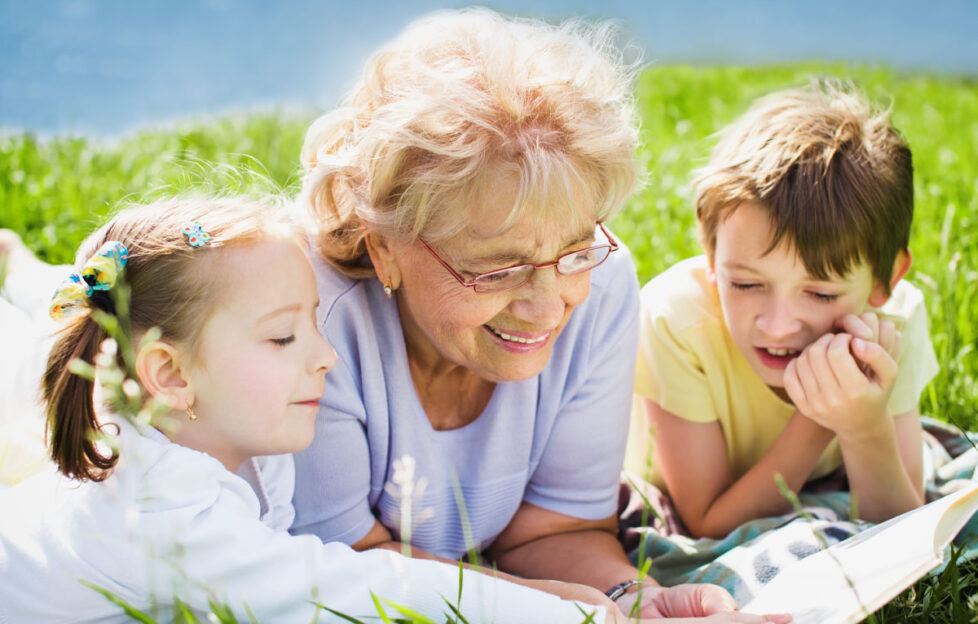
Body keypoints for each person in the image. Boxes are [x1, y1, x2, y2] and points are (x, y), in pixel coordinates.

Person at [289, 8, 783, 620]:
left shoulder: (601, 286)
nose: (550, 308)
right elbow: (339, 571)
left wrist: (636, 600)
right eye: (498, 268)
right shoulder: (305, 324)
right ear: (383, 244)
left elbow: (555, 532)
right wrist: (560, 609)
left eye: (574, 249)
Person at [0, 197, 645, 623]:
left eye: (315, 324)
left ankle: (25, 280)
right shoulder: (162, 510)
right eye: (283, 337)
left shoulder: (242, 441)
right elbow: (336, 591)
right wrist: (550, 612)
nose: (326, 357)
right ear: (170, 375)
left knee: (54, 343)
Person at [625, 82, 939, 539]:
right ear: (712, 259)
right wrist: (820, 417)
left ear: (884, 280)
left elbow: (902, 531)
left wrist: (866, 429)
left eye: (821, 294)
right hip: (689, 499)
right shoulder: (676, 321)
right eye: (747, 283)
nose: (776, 325)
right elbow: (707, 524)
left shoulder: (896, 322)